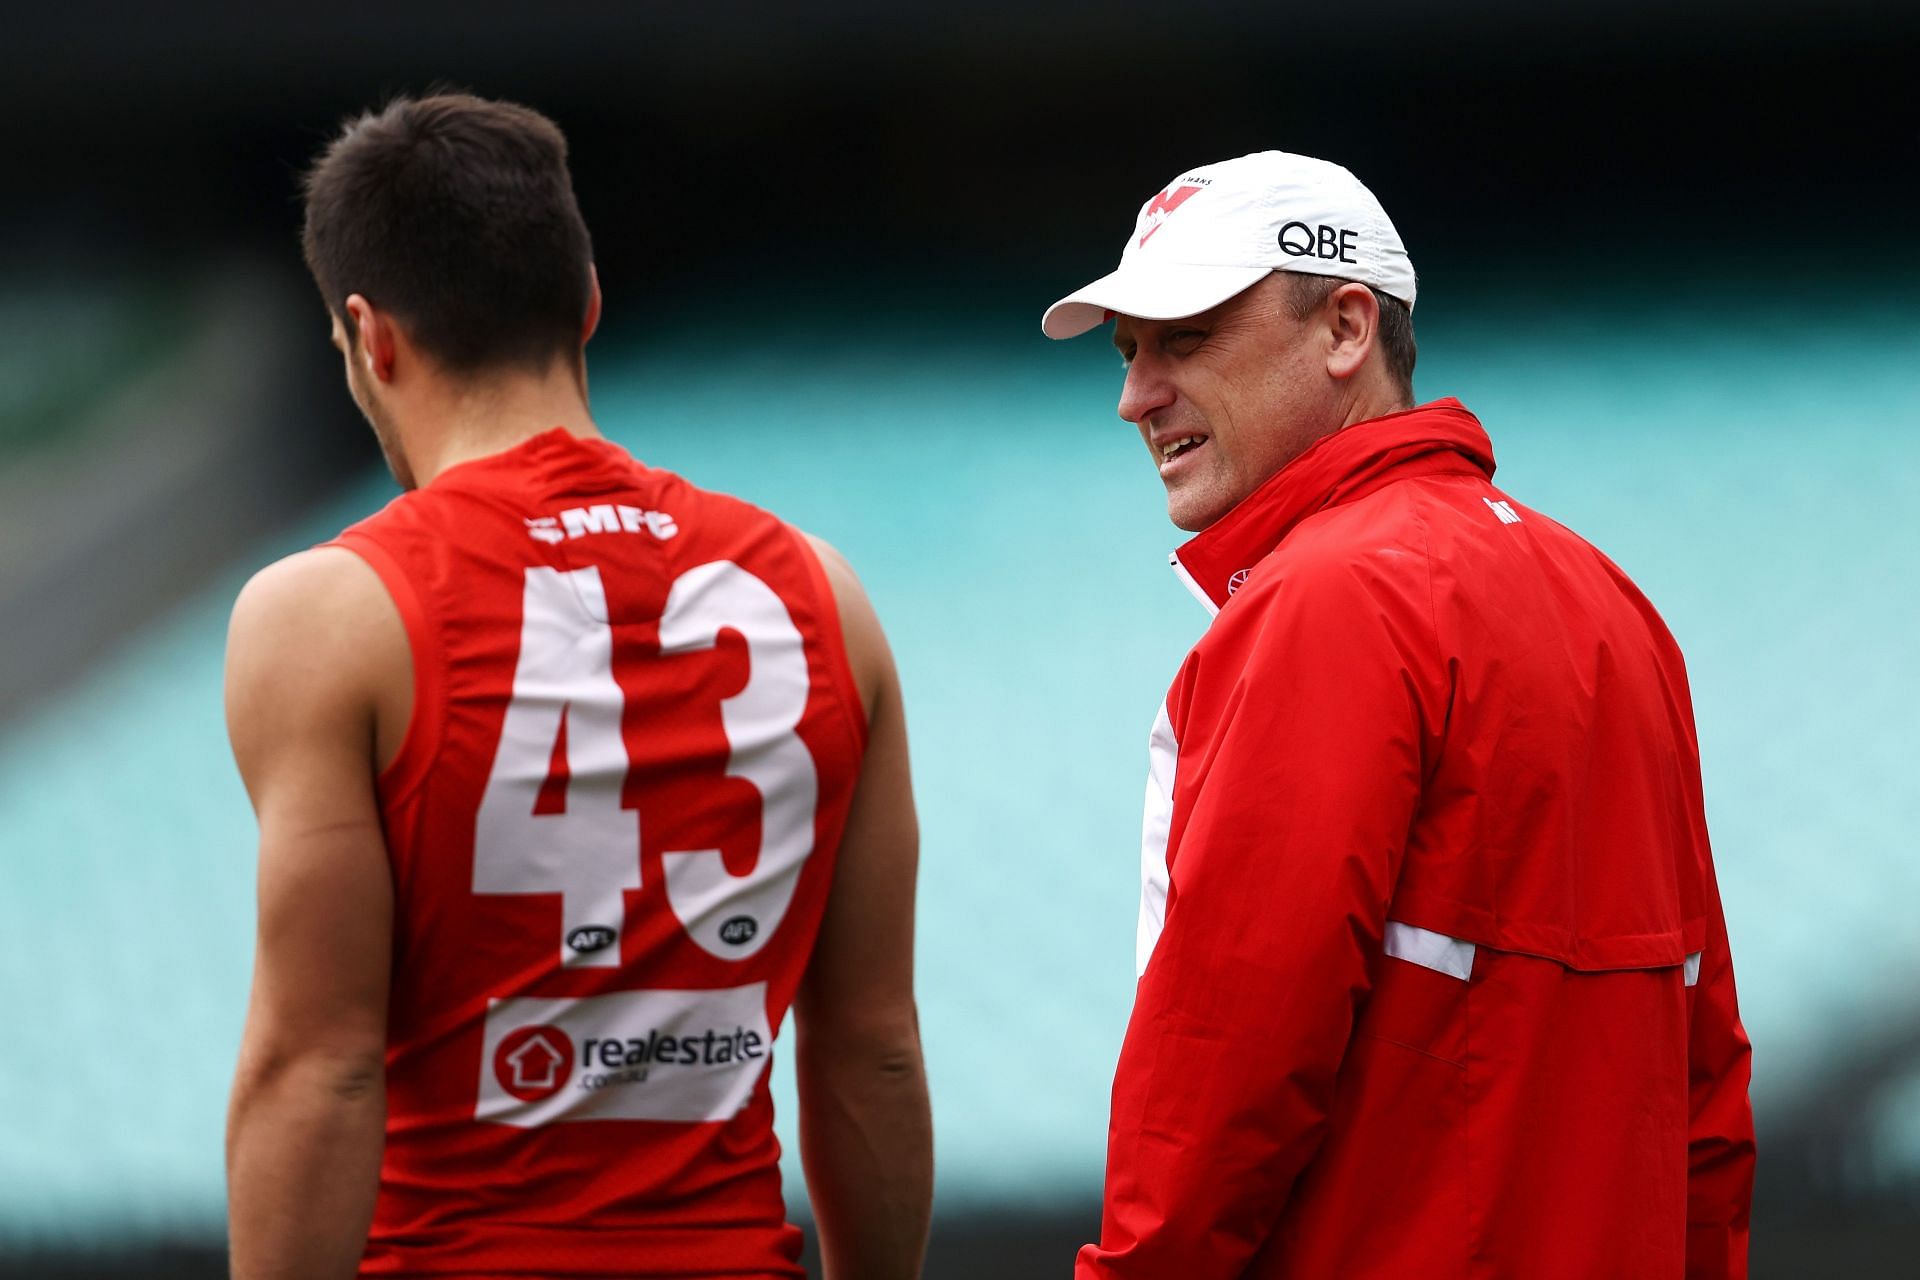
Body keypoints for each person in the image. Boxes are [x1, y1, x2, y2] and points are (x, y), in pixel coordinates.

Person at [223, 93, 932, 1279]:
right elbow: (872, 1049)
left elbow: (320, 1063)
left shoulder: (328, 613)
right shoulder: (822, 591)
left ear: (369, 336)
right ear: (588, 302)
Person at [1041, 151, 1755, 1278]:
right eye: (1130, 353)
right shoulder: (1614, 604)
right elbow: (1703, 1080)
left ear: (1346, 327)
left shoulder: (1321, 601)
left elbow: (1224, 1072)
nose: (1134, 396)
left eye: (1186, 336)